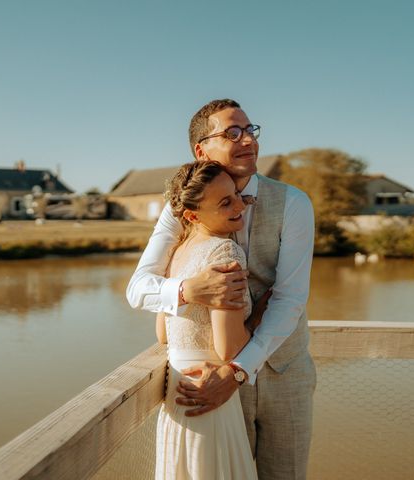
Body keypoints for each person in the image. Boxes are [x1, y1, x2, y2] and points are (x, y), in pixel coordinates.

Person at [127, 99, 316, 479]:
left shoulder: (293, 202)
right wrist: (189, 290)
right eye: (232, 133)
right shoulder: (181, 207)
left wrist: (239, 370)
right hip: (208, 379)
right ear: (201, 150)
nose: (248, 139)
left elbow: (290, 298)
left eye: (250, 130)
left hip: (283, 370)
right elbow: (138, 289)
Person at [154, 160, 258, 479]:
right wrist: (262, 315)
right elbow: (228, 350)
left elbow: (162, 334)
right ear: (192, 215)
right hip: (209, 393)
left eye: (236, 195)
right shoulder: (225, 253)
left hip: (176, 393)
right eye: (225, 202)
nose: (240, 205)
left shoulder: (177, 252)